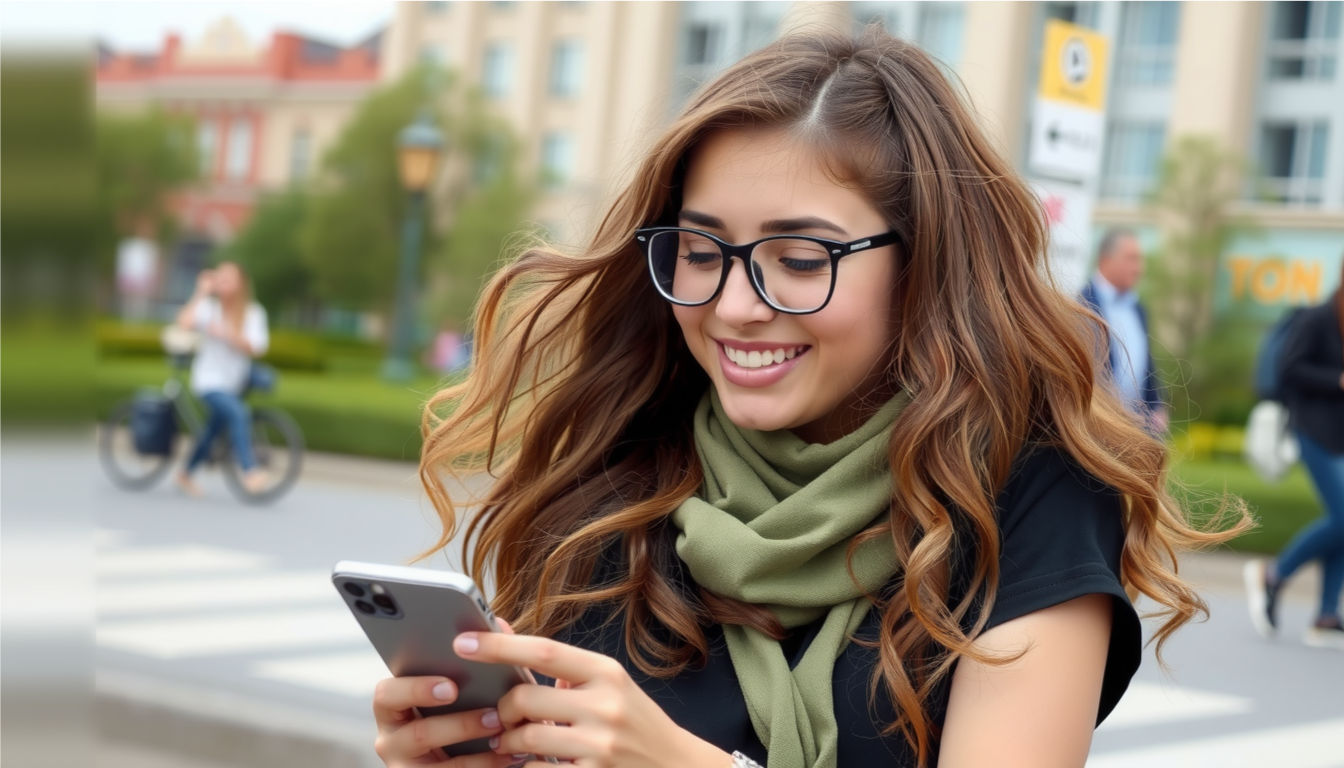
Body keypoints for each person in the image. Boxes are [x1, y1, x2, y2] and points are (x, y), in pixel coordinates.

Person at [373, 29, 1248, 768]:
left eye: (801, 259)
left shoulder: (1028, 495)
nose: (734, 306)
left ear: (922, 266)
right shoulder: (614, 474)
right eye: (702, 249)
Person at [1245, 267, 1344, 651]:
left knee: (1343, 523)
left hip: (1341, 435)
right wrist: (1337, 379)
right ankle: (1273, 574)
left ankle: (1325, 616)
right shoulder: (1318, 318)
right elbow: (1291, 370)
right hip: (1314, 431)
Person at [173, 261, 270, 497]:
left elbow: (256, 348)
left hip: (233, 383)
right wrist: (201, 292)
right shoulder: (208, 308)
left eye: (229, 278)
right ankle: (250, 471)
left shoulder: (253, 313)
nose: (223, 282)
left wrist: (227, 334)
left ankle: (185, 474)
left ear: (241, 284)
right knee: (239, 414)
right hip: (208, 381)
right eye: (220, 277)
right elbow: (183, 323)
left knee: (212, 432)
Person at [1079, 229, 1168, 434]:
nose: (1139, 268)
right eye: (1131, 259)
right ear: (1106, 260)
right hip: (1097, 429)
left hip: (1138, 427)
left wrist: (1156, 405)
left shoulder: (1138, 309)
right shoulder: (1081, 306)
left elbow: (1146, 365)